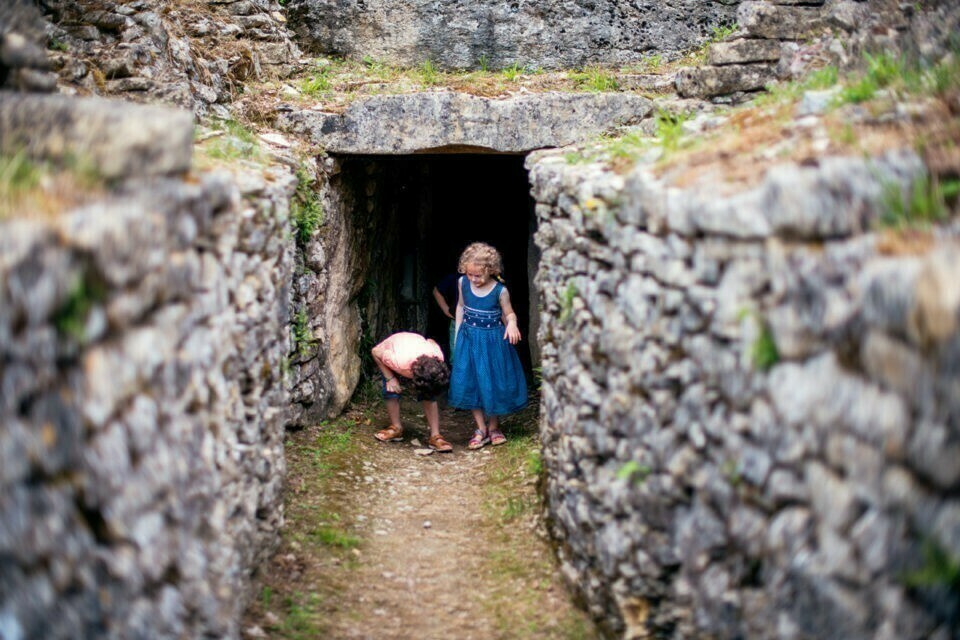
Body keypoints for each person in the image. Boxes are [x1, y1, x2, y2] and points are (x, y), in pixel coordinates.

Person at [448, 242, 527, 449]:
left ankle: (493, 427)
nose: (474, 280)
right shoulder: (462, 283)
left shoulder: (500, 291)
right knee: (471, 381)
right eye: (470, 275)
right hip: (469, 340)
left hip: (493, 342)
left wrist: (512, 324)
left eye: (478, 276)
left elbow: (509, 313)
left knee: (492, 381)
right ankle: (480, 428)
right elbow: (460, 307)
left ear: (491, 270)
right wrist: (457, 335)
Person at [371, 332, 453, 452]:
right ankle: (396, 428)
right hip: (394, 348)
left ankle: (435, 436)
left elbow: (431, 340)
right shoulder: (398, 362)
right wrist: (390, 378)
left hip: (414, 347)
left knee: (429, 395)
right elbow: (375, 351)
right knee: (391, 389)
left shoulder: (438, 358)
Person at [432, 272, 459, 364]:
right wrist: (446, 310)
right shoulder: (457, 277)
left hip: (482, 325)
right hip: (458, 321)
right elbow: (437, 291)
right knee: (456, 358)